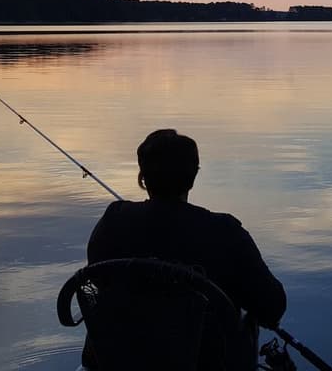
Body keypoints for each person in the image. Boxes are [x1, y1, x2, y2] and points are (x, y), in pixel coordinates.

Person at [82, 129, 286, 369]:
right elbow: (271, 307)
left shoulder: (114, 220)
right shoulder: (225, 232)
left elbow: (96, 278)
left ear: (143, 177)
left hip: (117, 361)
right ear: (193, 177)